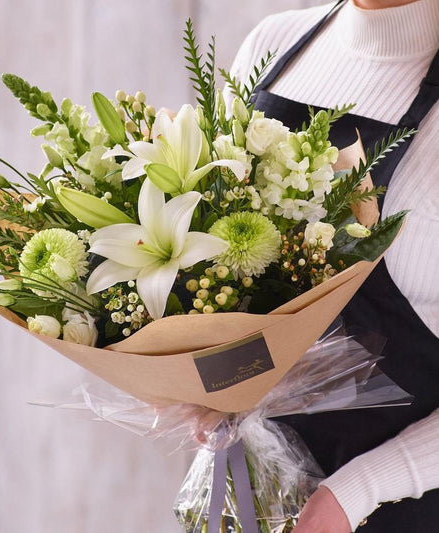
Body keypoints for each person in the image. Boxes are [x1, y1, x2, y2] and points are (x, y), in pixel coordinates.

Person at [224, 0, 439, 531]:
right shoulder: (272, 45)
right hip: (252, 491)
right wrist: (206, 394)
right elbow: (222, 281)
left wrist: (352, 494)